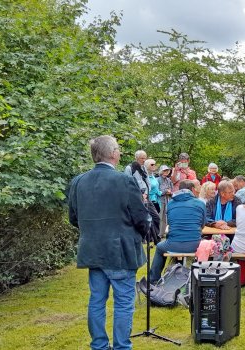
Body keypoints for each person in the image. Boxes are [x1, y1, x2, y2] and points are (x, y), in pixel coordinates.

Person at [68, 135, 149, 350]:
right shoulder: (124, 180)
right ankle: (121, 346)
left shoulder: (78, 182)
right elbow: (141, 217)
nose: (120, 153)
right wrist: (141, 233)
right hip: (119, 251)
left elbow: (74, 218)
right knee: (123, 302)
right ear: (113, 153)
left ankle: (100, 346)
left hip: (93, 249)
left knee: (97, 300)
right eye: (118, 150)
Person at [148, 180, 206, 284]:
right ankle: (204, 279)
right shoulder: (200, 203)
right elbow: (202, 225)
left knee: (160, 247)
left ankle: (153, 280)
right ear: (192, 190)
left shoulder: (171, 204)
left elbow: (170, 223)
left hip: (173, 245)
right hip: (195, 245)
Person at [157, 165, 173, 236]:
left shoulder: (168, 180)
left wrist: (170, 192)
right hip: (160, 200)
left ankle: (163, 232)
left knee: (166, 217)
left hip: (167, 199)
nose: (166, 172)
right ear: (161, 171)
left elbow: (171, 189)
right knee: (160, 216)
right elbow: (157, 191)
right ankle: (158, 233)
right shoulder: (157, 180)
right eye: (164, 170)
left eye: (167, 170)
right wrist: (165, 191)